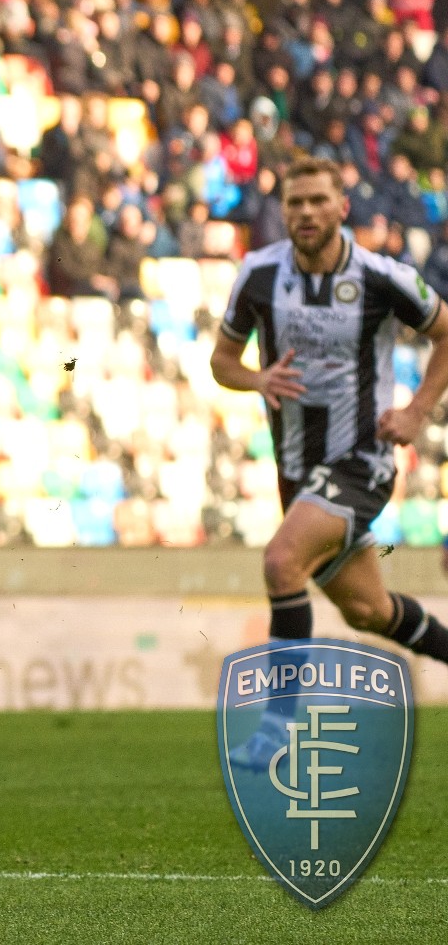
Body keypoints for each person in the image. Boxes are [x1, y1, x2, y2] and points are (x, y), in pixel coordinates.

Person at [211, 158, 448, 769]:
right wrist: (256, 378)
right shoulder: (258, 275)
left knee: (281, 560)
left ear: (344, 207)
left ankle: (273, 733)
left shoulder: (381, 277)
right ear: (283, 211)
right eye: (295, 203)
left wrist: (419, 410)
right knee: (368, 609)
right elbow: (222, 362)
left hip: (362, 461)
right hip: (297, 472)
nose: (307, 213)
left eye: (319, 200)